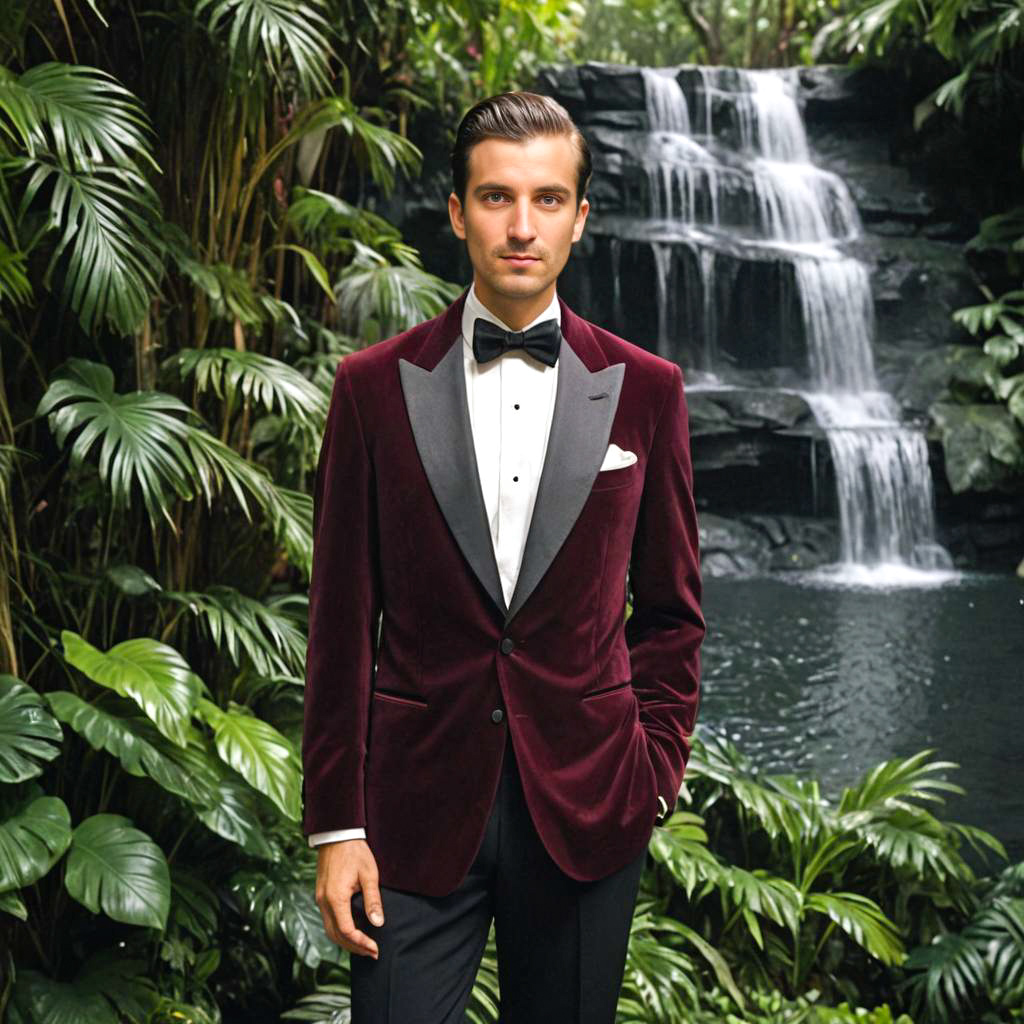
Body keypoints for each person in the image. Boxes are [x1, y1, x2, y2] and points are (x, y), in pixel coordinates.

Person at [302, 90, 705, 1024]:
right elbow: (337, 624)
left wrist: (652, 769)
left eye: (547, 200)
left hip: (590, 805)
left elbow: (674, 611)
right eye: (495, 198)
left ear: (579, 219)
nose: (521, 226)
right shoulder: (369, 388)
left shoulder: (647, 391)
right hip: (409, 810)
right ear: (456, 212)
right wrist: (337, 823)